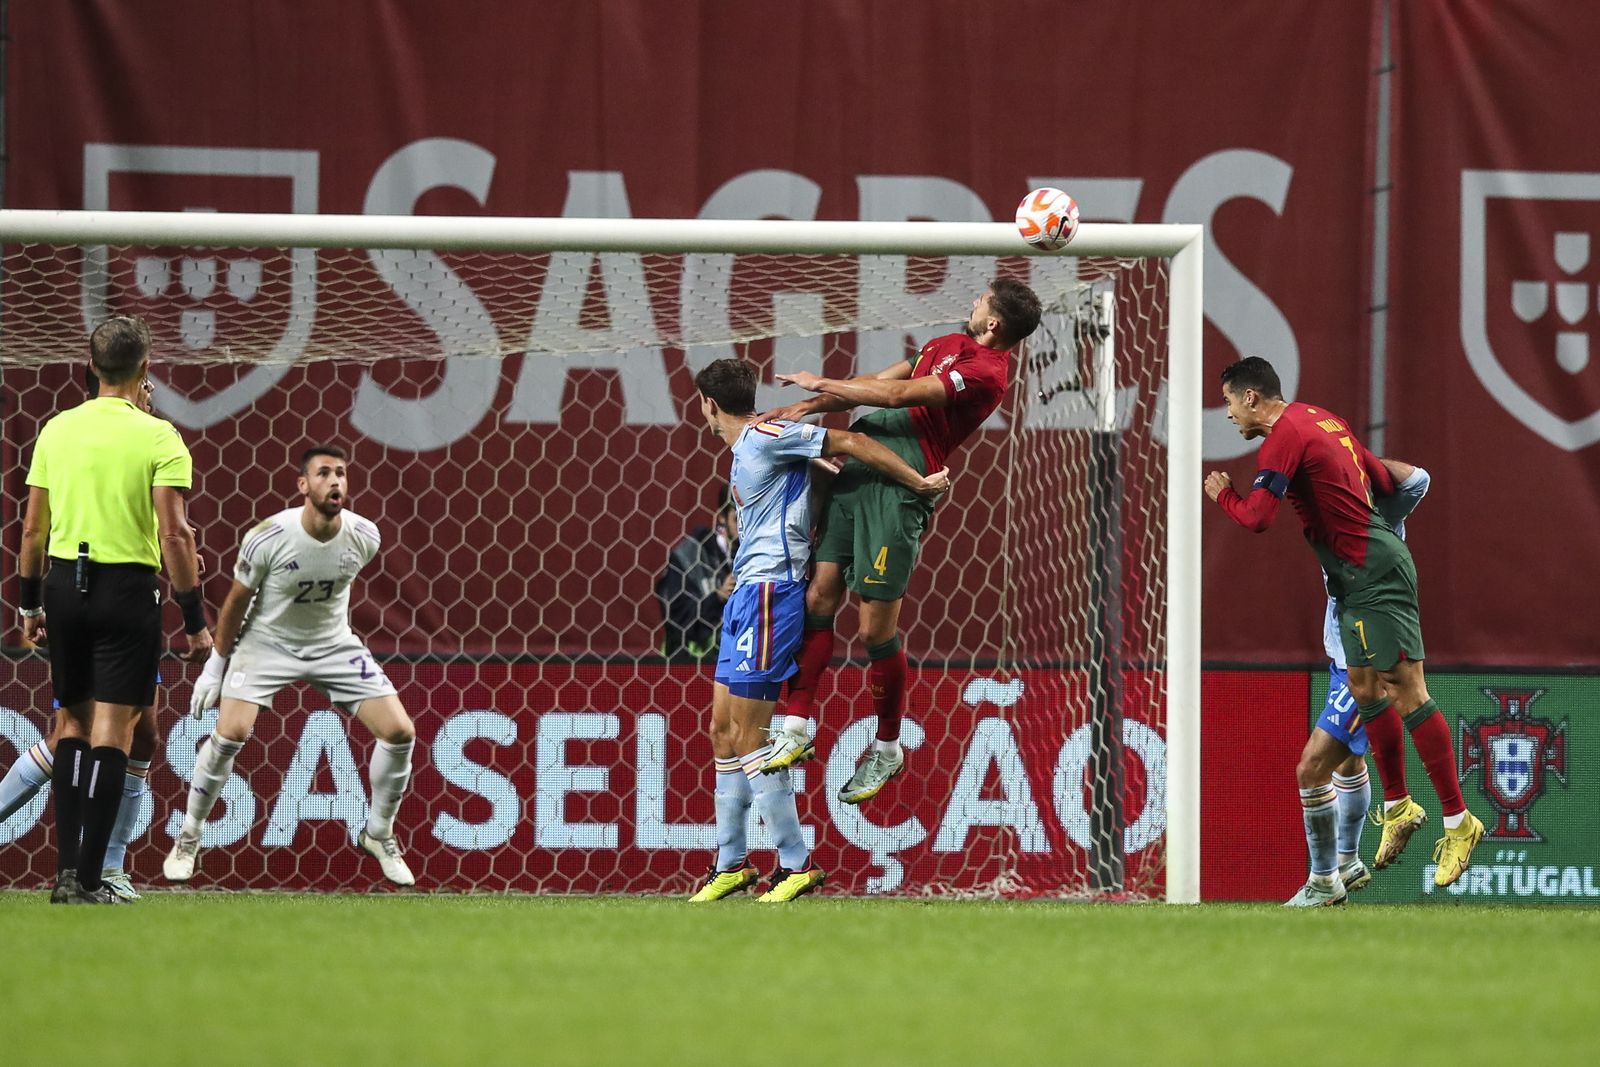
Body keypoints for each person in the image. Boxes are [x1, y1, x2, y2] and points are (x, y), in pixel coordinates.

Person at [1205, 356, 1484, 891]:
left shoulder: (1283, 434)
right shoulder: (1323, 419)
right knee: (1362, 685)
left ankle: (1458, 820)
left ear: (1251, 398)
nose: (1229, 416)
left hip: (1373, 570)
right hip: (1353, 578)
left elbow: (1258, 518)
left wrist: (1224, 495)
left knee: (1408, 691)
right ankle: (1399, 805)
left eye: (1228, 403)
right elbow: (1381, 477)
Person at [762, 277, 1042, 805]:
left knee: (873, 629)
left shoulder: (985, 374)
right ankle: (794, 727)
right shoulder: (944, 345)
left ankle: (888, 747)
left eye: (981, 300)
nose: (973, 300)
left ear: (994, 323)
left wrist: (815, 379)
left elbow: (896, 394)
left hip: (902, 484)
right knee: (818, 595)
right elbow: (880, 378)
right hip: (862, 464)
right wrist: (810, 406)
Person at [688, 358, 948, 903]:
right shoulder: (751, 448)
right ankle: (731, 863)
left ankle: (796, 864)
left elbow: (849, 443)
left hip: (771, 596)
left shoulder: (768, 435)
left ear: (708, 405)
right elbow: (822, 471)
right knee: (721, 731)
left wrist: (916, 481)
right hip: (745, 595)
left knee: (751, 736)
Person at [18, 315, 212, 904]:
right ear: (146, 368)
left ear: (91, 367)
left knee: (71, 725)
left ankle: (65, 875)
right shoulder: (158, 437)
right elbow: (175, 536)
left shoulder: (56, 430)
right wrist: (195, 620)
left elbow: (31, 529)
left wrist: (28, 605)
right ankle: (93, 877)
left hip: (62, 587)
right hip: (127, 590)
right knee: (115, 731)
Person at [162, 444, 416, 887]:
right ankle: (189, 835)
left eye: (340, 473)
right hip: (266, 645)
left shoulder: (365, 536)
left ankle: (379, 833)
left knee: (400, 733)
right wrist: (215, 667)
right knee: (229, 736)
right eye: (323, 473)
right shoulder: (268, 538)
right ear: (303, 485)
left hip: (332, 644)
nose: (334, 481)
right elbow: (236, 603)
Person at [1285, 458, 1431, 907]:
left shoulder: (1378, 512)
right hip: (1342, 657)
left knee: (1312, 769)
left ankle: (1324, 880)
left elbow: (1420, 479)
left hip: (1365, 658)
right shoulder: (1332, 511)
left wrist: (1357, 456)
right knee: (1349, 764)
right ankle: (1347, 861)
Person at [655, 491, 737, 659]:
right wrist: (718, 597)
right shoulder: (692, 555)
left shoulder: (755, 557)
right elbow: (676, 616)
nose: (745, 527)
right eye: (737, 519)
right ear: (722, 518)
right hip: (690, 661)